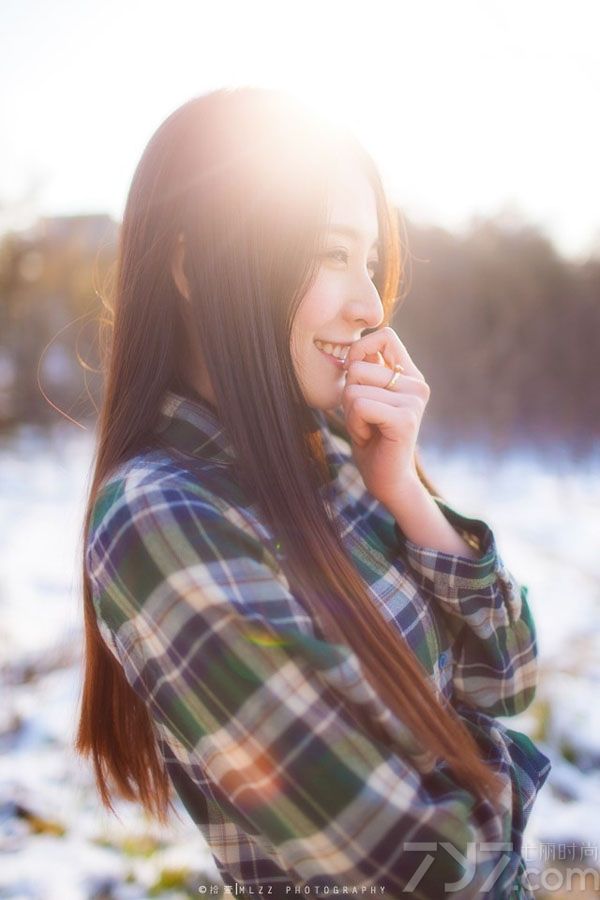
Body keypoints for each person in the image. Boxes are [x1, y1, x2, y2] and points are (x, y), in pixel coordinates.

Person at [76, 87, 551, 898]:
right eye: (331, 253)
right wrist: (495, 790)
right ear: (195, 265)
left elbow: (505, 679)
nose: (369, 305)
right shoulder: (160, 519)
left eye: (366, 260)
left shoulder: (332, 451)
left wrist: (404, 490)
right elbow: (425, 869)